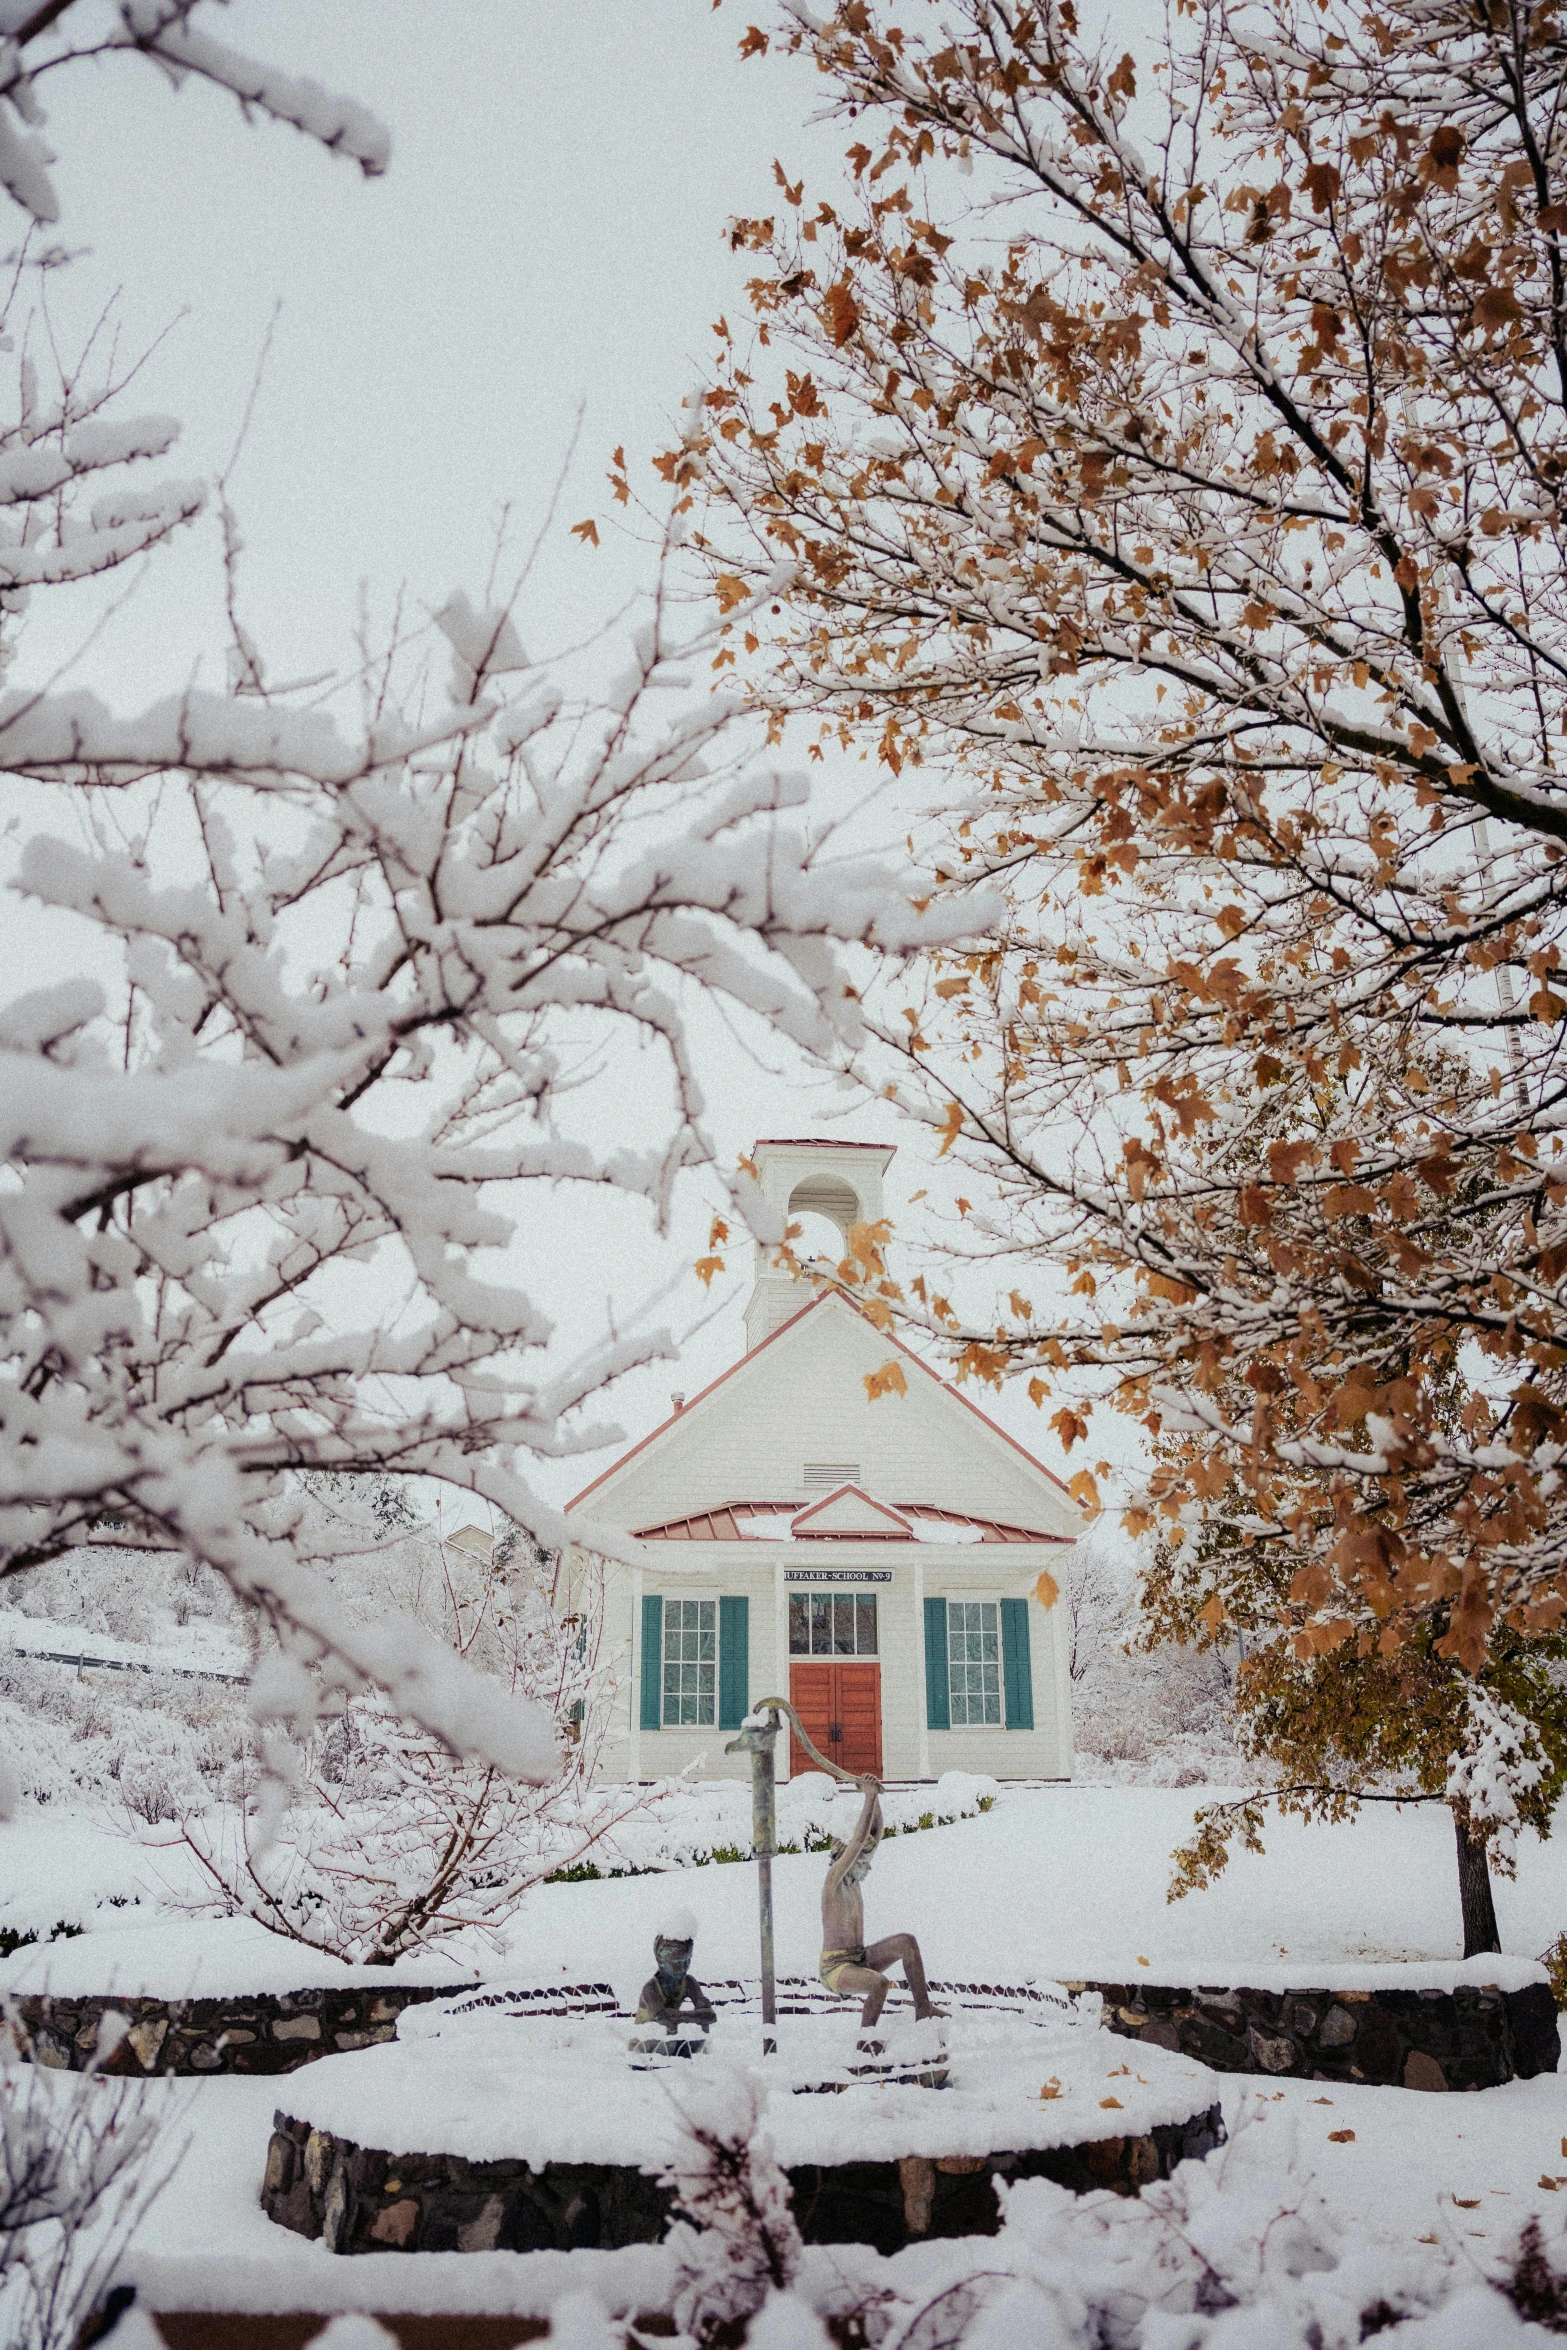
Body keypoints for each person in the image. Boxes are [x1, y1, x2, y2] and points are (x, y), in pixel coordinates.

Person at [819, 1775, 944, 2035]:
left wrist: (874, 1797)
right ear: (843, 1858)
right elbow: (857, 1842)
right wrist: (868, 1796)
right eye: (861, 1860)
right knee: (879, 1983)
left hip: (859, 1959)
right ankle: (866, 2041)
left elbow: (875, 1834)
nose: (866, 1864)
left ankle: (923, 2009)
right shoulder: (835, 1880)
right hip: (836, 1969)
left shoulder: (853, 1880)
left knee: (906, 1942)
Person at [631, 1907, 716, 2056]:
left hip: (672, 2040)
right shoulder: (650, 1988)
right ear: (661, 1960)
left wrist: (678, 2015)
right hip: (644, 2047)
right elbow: (665, 2020)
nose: (683, 1967)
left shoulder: (688, 1982)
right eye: (676, 1962)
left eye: (687, 1960)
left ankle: (690, 2061)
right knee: (667, 2034)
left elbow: (710, 2016)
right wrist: (694, 2015)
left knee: (701, 2030)